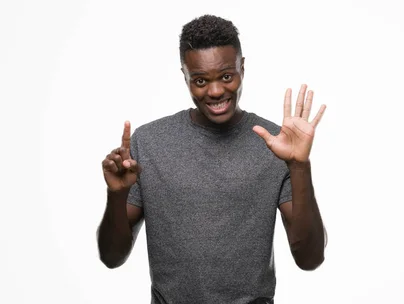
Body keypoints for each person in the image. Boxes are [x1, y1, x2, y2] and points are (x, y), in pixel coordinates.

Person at [96, 14, 327, 304]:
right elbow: (111, 257)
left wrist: (298, 166)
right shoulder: (149, 142)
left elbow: (310, 258)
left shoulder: (276, 144)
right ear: (185, 75)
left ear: (242, 67)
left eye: (226, 76)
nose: (216, 91)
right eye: (201, 80)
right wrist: (116, 195)